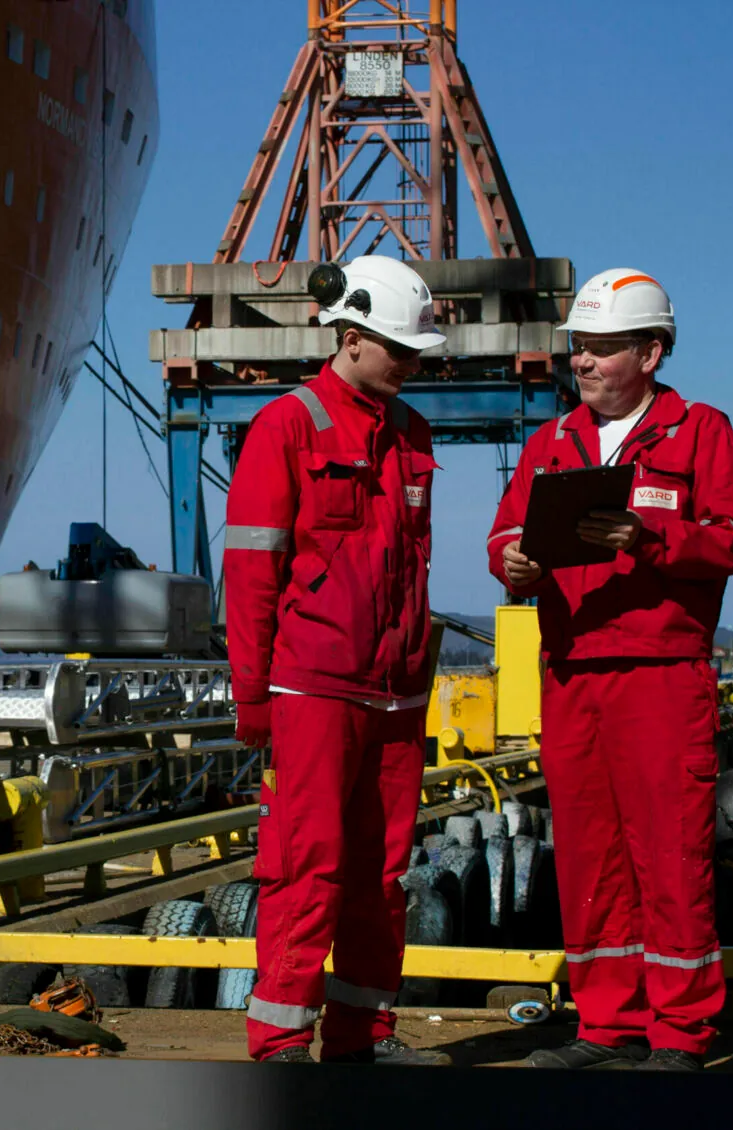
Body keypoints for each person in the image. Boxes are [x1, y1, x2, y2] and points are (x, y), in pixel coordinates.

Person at [486, 269, 733, 1072]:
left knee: (671, 855)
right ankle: (604, 1026)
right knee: (590, 855)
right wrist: (517, 564)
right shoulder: (551, 442)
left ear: (652, 351)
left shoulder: (700, 432)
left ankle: (679, 1034)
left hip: (662, 673)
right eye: (581, 348)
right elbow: (504, 539)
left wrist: (649, 539)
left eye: (604, 349)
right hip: (572, 672)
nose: (586, 362)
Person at [224, 255, 451, 1065]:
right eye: (401, 347)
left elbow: (411, 566)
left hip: (393, 691)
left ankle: (363, 1034)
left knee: (380, 874)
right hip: (314, 686)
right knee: (305, 867)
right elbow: (252, 573)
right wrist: (253, 698)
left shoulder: (411, 434)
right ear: (350, 337)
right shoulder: (288, 425)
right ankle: (280, 1043)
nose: (414, 361)